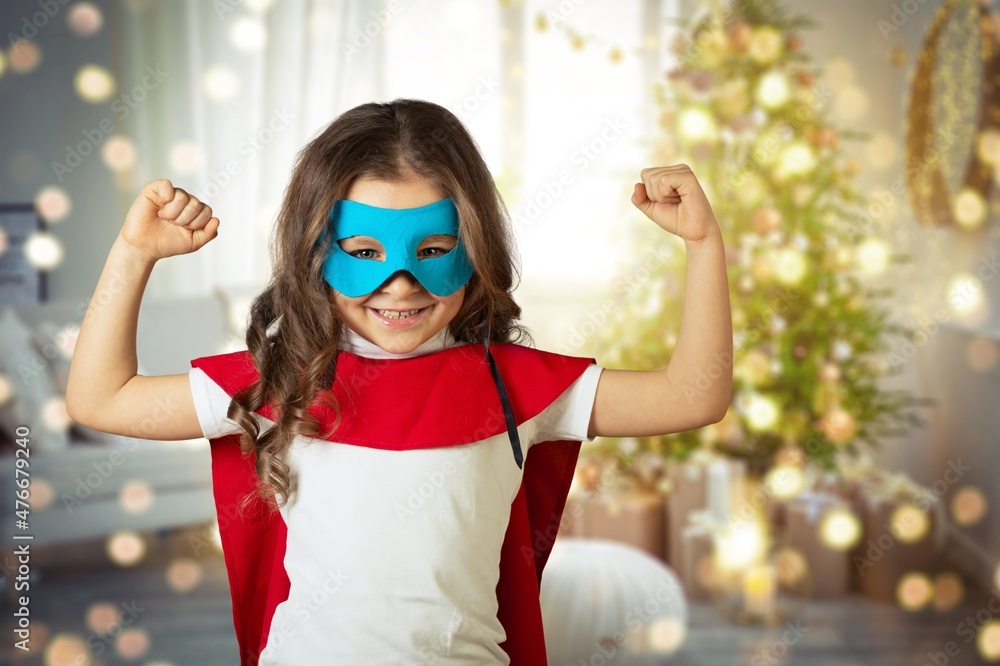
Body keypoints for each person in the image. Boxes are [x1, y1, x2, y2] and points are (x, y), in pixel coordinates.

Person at [66, 98, 732, 665]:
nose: (401, 283)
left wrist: (703, 248)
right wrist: (134, 254)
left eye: (433, 249)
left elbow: (692, 394)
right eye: (364, 253)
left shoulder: (518, 387)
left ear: (475, 246)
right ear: (315, 251)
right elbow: (101, 397)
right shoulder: (279, 381)